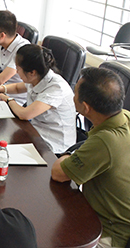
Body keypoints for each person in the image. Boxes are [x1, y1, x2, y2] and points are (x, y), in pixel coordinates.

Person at [51, 67, 130, 248]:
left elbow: (58, 173)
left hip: (109, 234)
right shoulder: (125, 116)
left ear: (86, 108)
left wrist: (67, 156)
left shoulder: (106, 141)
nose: (73, 96)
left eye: (75, 93)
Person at [0, 44, 76, 154]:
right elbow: (17, 88)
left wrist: (8, 99)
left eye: (18, 69)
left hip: (54, 145)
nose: (17, 72)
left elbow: (25, 114)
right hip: (36, 131)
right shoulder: (38, 77)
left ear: (32, 72)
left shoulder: (56, 88)